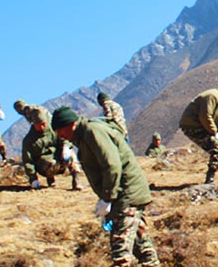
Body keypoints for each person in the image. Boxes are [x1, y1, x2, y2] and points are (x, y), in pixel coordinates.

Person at [52, 106, 160, 266]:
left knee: (120, 252)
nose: (60, 135)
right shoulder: (84, 136)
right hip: (123, 195)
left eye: (61, 131)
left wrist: (107, 198)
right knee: (142, 246)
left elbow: (112, 165)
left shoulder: (92, 132)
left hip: (126, 195)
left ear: (71, 125)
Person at [21, 107, 83, 190]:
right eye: (39, 125)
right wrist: (33, 179)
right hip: (44, 165)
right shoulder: (29, 140)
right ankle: (51, 180)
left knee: (71, 154)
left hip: (58, 157)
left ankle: (76, 181)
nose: (42, 127)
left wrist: (66, 146)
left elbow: (64, 138)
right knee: (50, 162)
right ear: (34, 124)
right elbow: (28, 161)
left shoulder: (53, 130)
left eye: (44, 124)